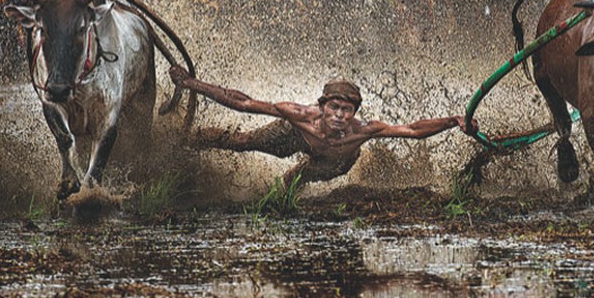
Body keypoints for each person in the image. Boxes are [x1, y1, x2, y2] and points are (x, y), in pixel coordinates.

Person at [169, 66, 474, 186]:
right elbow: (244, 102)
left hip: (336, 159)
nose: (340, 115)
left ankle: (282, 199)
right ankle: (186, 143)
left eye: (347, 110)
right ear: (322, 106)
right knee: (243, 141)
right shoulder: (301, 115)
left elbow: (412, 130)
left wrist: (453, 121)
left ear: (354, 111)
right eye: (335, 108)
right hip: (295, 136)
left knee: (295, 180)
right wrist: (191, 83)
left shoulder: (362, 130)